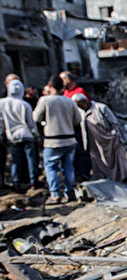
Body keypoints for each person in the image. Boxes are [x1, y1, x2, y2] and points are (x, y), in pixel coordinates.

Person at [33, 75, 82, 204]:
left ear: (50, 86)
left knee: (50, 167)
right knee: (69, 167)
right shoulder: (69, 101)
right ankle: (70, 192)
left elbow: (36, 118)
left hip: (52, 140)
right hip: (69, 139)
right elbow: (78, 120)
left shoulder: (45, 101)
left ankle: (55, 194)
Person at [73, 94, 127, 183]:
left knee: (117, 156)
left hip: (109, 139)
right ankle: (103, 179)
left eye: (80, 105)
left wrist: (116, 136)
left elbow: (114, 123)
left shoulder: (100, 107)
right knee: (97, 160)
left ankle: (123, 177)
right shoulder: (81, 112)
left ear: (84, 102)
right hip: (94, 142)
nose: (81, 107)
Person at [0, 80, 40, 190]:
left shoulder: (2, 103)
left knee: (16, 161)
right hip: (26, 134)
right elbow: (31, 124)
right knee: (31, 159)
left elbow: (1, 122)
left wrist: (2, 135)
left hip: (12, 136)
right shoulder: (25, 104)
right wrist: (36, 136)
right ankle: (34, 182)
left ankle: (16, 183)